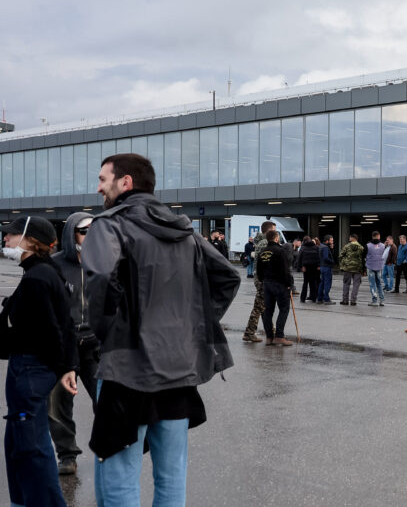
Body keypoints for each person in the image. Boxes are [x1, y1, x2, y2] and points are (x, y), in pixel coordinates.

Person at [82, 153, 240, 505]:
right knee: (171, 476)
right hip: (179, 370)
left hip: (127, 370)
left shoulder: (109, 225)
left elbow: (101, 280)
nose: (98, 188)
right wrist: (190, 326)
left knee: (118, 474)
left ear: (125, 182)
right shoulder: (184, 230)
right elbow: (227, 277)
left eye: (103, 179)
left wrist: (109, 333)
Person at [1, 215, 77, 507]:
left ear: (30, 240)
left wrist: (63, 366)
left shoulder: (38, 277)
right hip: (31, 370)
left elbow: (52, 330)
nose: (6, 238)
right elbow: (63, 324)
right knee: (19, 442)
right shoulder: (45, 271)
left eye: (11, 234)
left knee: (30, 446)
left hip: (30, 372)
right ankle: (22, 501)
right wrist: (67, 366)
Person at [46, 212, 98, 476]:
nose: (91, 236)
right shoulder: (54, 265)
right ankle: (67, 455)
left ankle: (107, 449)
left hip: (95, 345)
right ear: (71, 234)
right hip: (63, 347)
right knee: (57, 404)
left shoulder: (104, 263)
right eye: (84, 231)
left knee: (106, 399)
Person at [258, 230, 295, 346]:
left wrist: (263, 280)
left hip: (267, 283)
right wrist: (289, 284)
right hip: (280, 284)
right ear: (276, 238)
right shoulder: (280, 251)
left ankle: (269, 337)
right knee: (284, 309)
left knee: (268, 311)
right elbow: (285, 269)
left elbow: (259, 270)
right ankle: (279, 336)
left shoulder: (262, 252)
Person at [242, 220, 274, 342]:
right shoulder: (265, 243)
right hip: (262, 278)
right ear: (269, 230)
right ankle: (249, 332)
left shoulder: (260, 242)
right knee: (259, 306)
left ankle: (270, 331)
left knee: (264, 306)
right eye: (274, 230)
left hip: (260, 277)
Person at [339, 233, 366, 305]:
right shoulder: (361, 247)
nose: (349, 238)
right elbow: (363, 258)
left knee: (346, 284)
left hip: (347, 268)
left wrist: (343, 265)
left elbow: (341, 256)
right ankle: (353, 301)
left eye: (350, 237)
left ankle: (345, 300)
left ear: (352, 238)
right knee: (356, 284)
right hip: (358, 268)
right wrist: (363, 269)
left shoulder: (346, 246)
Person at [365, 231, 388, 306]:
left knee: (372, 284)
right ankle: (382, 300)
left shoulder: (368, 245)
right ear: (379, 236)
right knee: (379, 283)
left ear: (372, 236)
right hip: (379, 267)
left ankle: (374, 301)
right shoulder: (383, 246)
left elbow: (364, 255)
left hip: (370, 266)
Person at [297, 235, 321, 304]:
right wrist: (318, 265)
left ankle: (303, 298)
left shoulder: (303, 248)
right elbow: (319, 257)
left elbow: (299, 257)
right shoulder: (316, 247)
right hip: (314, 266)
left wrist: (301, 266)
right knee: (313, 282)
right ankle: (314, 297)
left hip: (306, 267)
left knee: (305, 283)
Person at [318, 235, 336, 303]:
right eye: (331, 240)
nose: (332, 242)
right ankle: (326, 298)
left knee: (322, 283)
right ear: (327, 241)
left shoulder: (321, 246)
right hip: (327, 267)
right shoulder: (325, 248)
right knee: (327, 283)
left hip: (322, 266)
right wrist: (332, 262)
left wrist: (331, 249)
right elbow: (326, 257)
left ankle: (319, 298)